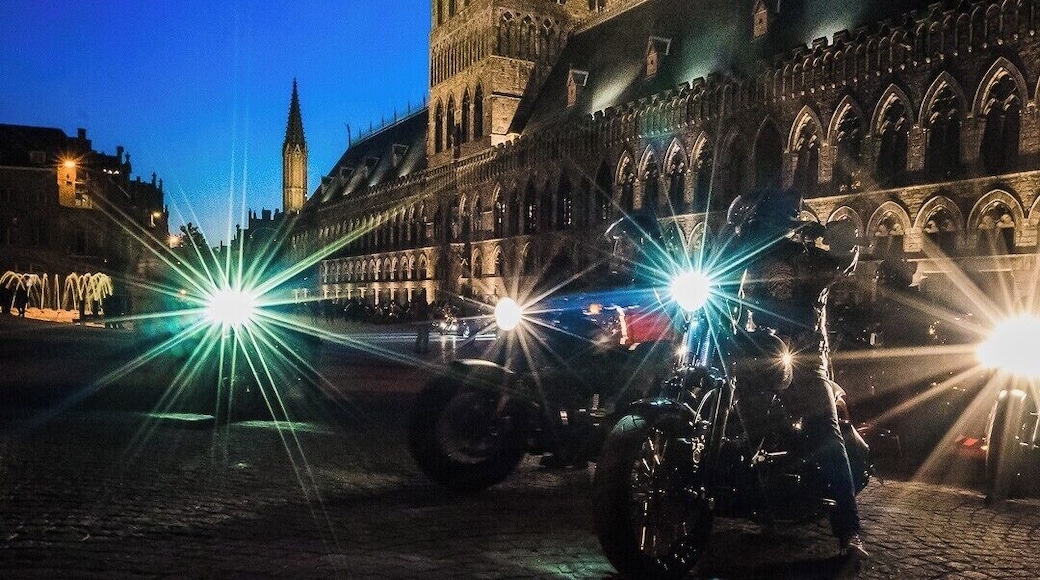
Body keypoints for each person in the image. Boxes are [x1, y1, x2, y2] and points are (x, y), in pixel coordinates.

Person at [729, 188, 868, 559]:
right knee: (739, 422)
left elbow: (844, 261)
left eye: (774, 224)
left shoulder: (809, 259)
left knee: (825, 433)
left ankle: (849, 531)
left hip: (803, 355)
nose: (767, 230)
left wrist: (841, 240)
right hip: (754, 350)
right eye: (762, 223)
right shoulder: (745, 255)